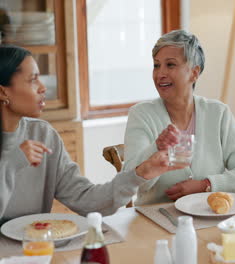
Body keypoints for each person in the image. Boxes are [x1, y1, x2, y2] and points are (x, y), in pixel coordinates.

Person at [0, 44, 185, 225]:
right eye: (33, 80)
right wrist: (12, 162)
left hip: (36, 248)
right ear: (3, 91)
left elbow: (87, 201)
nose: (43, 87)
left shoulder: (43, 135)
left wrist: (139, 174)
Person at [123, 29, 235, 205]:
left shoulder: (218, 113)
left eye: (170, 65)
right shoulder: (141, 114)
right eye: (156, 65)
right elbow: (129, 182)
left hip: (209, 214)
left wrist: (207, 184)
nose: (160, 74)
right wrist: (156, 148)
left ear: (194, 73)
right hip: (156, 219)